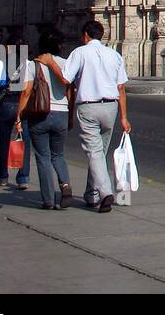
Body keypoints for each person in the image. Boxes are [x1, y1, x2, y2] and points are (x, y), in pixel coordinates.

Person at [40, 20, 130, 213]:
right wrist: (124, 117)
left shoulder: (79, 53)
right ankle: (92, 194)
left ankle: (105, 193)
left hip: (89, 107)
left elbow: (65, 78)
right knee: (98, 152)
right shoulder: (114, 55)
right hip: (111, 107)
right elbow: (120, 88)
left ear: (86, 35)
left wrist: (50, 63)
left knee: (94, 152)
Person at [16, 29, 73, 210]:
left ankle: (48, 200)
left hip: (39, 115)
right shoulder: (66, 64)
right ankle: (65, 184)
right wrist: (70, 115)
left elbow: (26, 92)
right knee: (59, 154)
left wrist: (19, 116)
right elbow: (70, 91)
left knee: (43, 157)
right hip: (62, 113)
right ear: (59, 45)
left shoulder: (33, 65)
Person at [0, 32, 30, 190]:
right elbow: (28, 87)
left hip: (5, 105)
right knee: (23, 141)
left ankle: (2, 175)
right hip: (22, 104)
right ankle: (23, 177)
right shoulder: (28, 63)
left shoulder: (2, 63)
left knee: (4, 141)